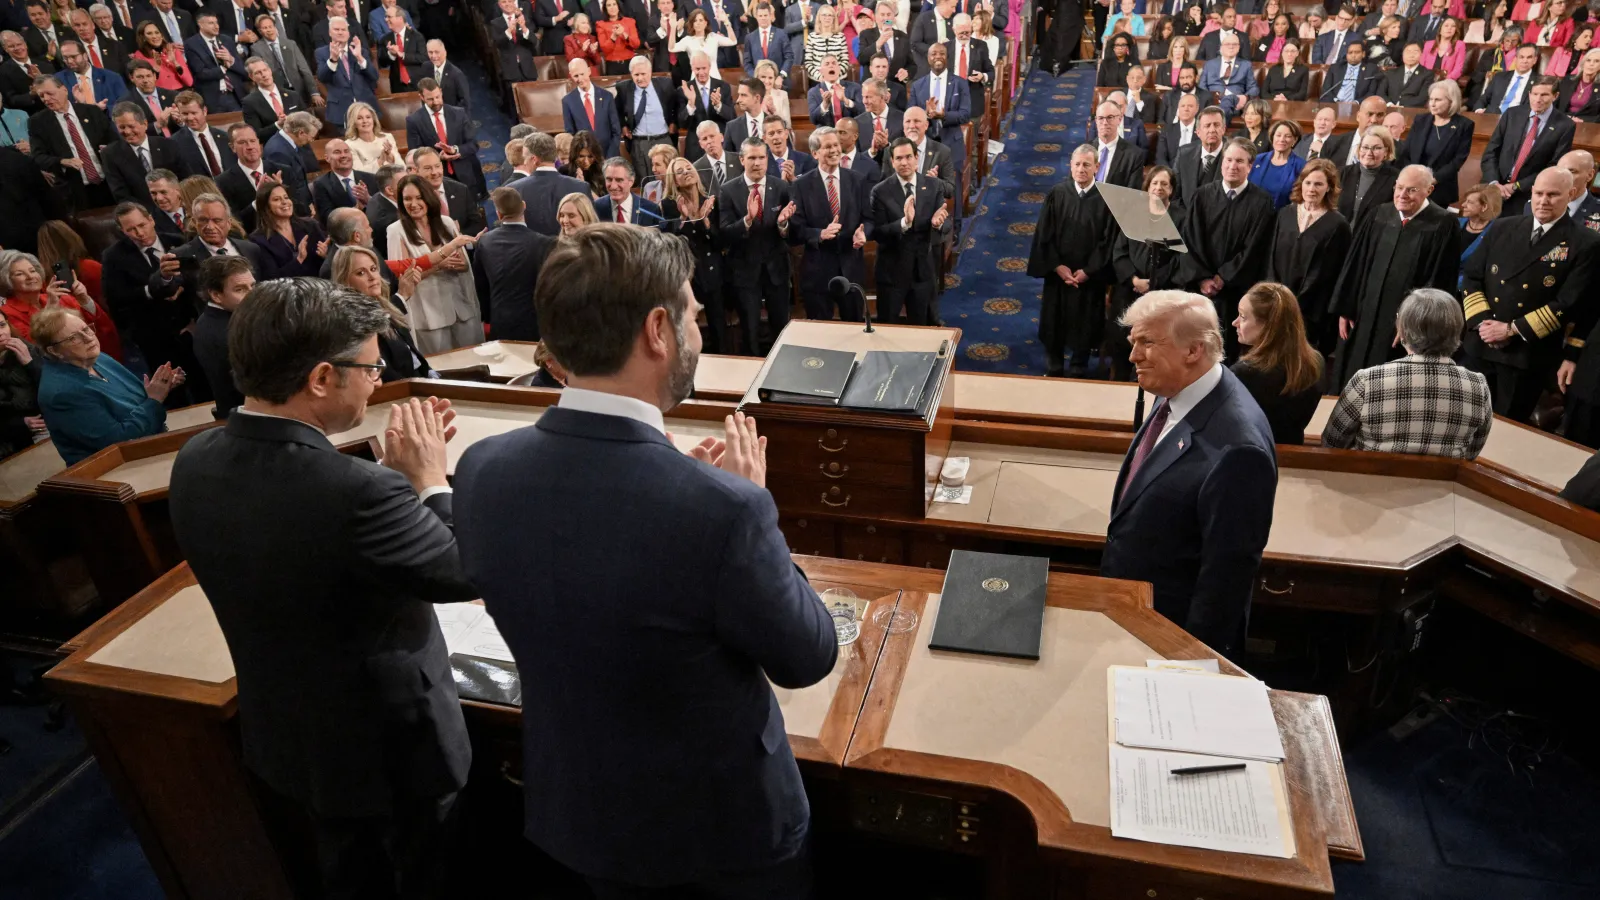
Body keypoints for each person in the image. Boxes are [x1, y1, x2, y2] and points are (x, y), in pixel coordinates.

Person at [452, 223, 834, 900]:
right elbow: (807, 657)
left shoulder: (482, 469)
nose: (699, 325)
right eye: (691, 312)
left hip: (583, 821)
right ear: (657, 330)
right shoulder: (723, 510)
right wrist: (747, 499)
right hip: (722, 842)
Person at [168, 278, 474, 900]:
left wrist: (389, 484)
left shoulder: (195, 457)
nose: (378, 376)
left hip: (291, 733)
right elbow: (457, 571)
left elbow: (307, 547)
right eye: (369, 365)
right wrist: (429, 483)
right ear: (319, 379)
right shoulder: (356, 492)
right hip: (389, 755)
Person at [1102, 290, 1276, 657]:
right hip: (1135, 615)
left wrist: (1189, 661)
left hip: (1171, 637)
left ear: (1194, 351)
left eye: (1147, 343)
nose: (1133, 356)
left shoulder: (1238, 449)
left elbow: (1225, 579)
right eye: (1134, 342)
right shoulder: (1176, 389)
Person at [1461, 167, 1600, 422]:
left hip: (1525, 354)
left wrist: (1510, 330)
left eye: (1553, 195)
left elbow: (1568, 302)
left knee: (1504, 431)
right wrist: (1483, 323)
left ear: (1570, 195)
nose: (1543, 201)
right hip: (1480, 345)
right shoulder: (1503, 226)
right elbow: (1471, 276)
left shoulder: (1586, 242)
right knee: (1461, 420)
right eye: (1539, 193)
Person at [1330, 165, 1461, 388]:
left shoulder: (1443, 224)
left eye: (1411, 190)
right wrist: (1346, 306)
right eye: (1399, 187)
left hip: (1403, 325)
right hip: (1363, 313)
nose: (1402, 195)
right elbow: (1355, 264)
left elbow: (1438, 283)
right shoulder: (1378, 214)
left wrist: (1414, 325)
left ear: (1429, 190)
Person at [1323, 288, 1493, 456]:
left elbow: (1331, 443)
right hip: (1441, 483)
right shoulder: (1478, 386)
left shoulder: (1368, 381)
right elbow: (1471, 453)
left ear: (1402, 330)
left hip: (1370, 481)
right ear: (1457, 331)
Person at [33, 305, 178, 463]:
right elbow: (117, 441)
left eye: (86, 329)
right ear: (54, 351)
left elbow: (139, 398)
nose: (89, 338)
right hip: (117, 467)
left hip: (151, 444)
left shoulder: (97, 357)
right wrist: (155, 400)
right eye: (73, 338)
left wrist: (161, 385)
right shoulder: (62, 394)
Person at [1178, 137, 1274, 361]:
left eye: (1240, 161)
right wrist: (1203, 278)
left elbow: (1255, 248)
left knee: (1226, 351)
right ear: (1221, 163)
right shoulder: (1201, 196)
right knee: (1194, 346)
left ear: (1250, 166)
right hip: (1200, 290)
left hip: (1235, 292)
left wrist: (1223, 278)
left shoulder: (1262, 203)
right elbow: (1190, 241)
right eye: (1229, 160)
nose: (1233, 166)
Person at [1029, 144, 1116, 377]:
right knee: (1054, 319)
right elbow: (1044, 234)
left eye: (1087, 165)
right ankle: (1054, 362)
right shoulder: (1057, 194)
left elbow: (1108, 241)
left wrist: (1088, 271)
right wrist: (1057, 266)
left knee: (1086, 322)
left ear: (1097, 167)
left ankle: (1079, 363)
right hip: (1059, 277)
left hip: (1089, 278)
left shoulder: (1106, 199)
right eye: (1077, 164)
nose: (1081, 169)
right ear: (1070, 165)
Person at [387, 173, 480, 354]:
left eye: (419, 197)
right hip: (429, 317)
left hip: (461, 308)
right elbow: (404, 277)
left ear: (429, 197)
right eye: (407, 199)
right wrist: (439, 265)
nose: (413, 204)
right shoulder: (395, 231)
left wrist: (455, 264)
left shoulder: (446, 222)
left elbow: (464, 265)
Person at [718, 136, 793, 354]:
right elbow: (724, 233)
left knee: (781, 327)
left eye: (761, 157)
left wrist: (783, 224)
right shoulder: (728, 190)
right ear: (742, 160)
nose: (757, 163)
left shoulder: (781, 187)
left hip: (776, 270)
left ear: (767, 159)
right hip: (744, 272)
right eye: (752, 158)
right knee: (749, 329)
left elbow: (790, 232)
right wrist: (746, 221)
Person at [1266, 159, 1350, 355]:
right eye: (1308, 182)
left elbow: (1335, 272)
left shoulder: (1338, 225)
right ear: (1301, 184)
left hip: (1311, 310)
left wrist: (1299, 301)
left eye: (1319, 184)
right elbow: (1270, 257)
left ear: (1329, 188)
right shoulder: (1285, 214)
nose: (1312, 189)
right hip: (1277, 301)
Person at [790, 126, 870, 321]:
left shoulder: (857, 180)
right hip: (817, 273)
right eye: (828, 146)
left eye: (836, 145)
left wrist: (864, 232)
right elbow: (795, 230)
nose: (834, 150)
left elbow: (869, 218)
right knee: (821, 335)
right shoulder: (801, 185)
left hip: (851, 269)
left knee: (855, 330)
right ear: (815, 153)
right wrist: (819, 234)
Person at [331, 243, 441, 381]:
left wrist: (428, 373)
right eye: (361, 273)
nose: (372, 277)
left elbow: (412, 353)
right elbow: (385, 374)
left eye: (373, 269)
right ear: (345, 281)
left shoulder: (384, 306)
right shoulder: (354, 323)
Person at [1231, 282, 1323, 444]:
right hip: (1294, 456)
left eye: (1243, 317)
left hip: (1253, 456)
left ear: (1268, 326)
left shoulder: (1243, 373)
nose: (1235, 322)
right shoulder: (1315, 363)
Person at [1481, 76, 1577, 219]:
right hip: (1494, 186)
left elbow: (1554, 167)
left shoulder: (1565, 126)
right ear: (1529, 94)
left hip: (1527, 195)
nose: (1538, 99)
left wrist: (1516, 186)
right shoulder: (1512, 114)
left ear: (1555, 96)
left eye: (1544, 95)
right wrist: (1495, 183)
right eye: (1535, 94)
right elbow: (1491, 152)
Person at [472, 188, 555, 342]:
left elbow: (481, 287)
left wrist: (488, 317)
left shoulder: (484, 242)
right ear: (523, 206)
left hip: (501, 322)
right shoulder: (545, 243)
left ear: (498, 214)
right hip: (537, 324)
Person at [189, 254, 252, 418]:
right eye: (240, 289)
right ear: (216, 295)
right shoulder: (227, 333)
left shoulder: (215, 318)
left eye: (252, 286)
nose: (252, 295)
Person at [1402, 80, 1474, 209]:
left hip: (1440, 188)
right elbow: (1406, 151)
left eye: (1438, 100)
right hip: (1412, 185)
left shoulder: (1464, 125)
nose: (1432, 104)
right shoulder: (1421, 120)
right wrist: (1412, 177)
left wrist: (1433, 180)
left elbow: (1458, 160)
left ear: (1452, 101)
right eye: (1431, 99)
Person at [510, 131, 591, 236]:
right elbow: (591, 227)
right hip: (571, 250)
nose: (524, 162)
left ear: (534, 159)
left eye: (525, 158)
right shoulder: (581, 187)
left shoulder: (513, 190)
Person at [249, 181, 325, 278]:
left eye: (286, 197)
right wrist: (299, 259)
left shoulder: (311, 225)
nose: (285, 202)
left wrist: (326, 255)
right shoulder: (258, 240)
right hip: (288, 291)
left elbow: (327, 263)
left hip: (320, 285)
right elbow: (271, 279)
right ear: (266, 207)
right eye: (276, 199)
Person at [315, 15, 378, 129]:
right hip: (341, 110)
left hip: (366, 108)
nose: (340, 32)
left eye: (343, 29)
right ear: (329, 32)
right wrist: (333, 59)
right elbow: (322, 77)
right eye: (336, 29)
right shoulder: (322, 53)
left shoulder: (360, 50)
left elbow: (374, 76)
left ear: (348, 33)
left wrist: (359, 57)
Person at [1337, 124, 1401, 228]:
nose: (1369, 153)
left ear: (1386, 151)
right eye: (1365, 147)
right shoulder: (1342, 173)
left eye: (1376, 148)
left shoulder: (1395, 178)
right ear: (1359, 149)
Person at [0, 313, 44, 458]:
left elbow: (52, 388)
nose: (1, 333)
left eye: (2, 325)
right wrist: (20, 422)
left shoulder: (28, 350)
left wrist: (29, 363)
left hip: (44, 424)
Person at [562, 58, 622, 158]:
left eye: (582, 74)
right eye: (576, 76)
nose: (580, 79)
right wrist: (584, 157)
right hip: (586, 159)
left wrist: (610, 157)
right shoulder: (568, 101)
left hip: (610, 156)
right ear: (571, 76)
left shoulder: (607, 96)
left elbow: (616, 131)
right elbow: (570, 134)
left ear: (589, 71)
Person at [1172, 104, 1225, 207]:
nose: (1212, 130)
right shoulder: (1184, 153)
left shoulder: (1234, 154)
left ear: (1223, 129)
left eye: (1217, 125)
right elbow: (1175, 193)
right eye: (1207, 125)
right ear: (1198, 132)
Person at [1248, 118, 1304, 208]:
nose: (1282, 139)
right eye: (1278, 135)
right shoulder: (1258, 159)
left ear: (1295, 140)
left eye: (1288, 136)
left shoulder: (1301, 166)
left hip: (1280, 216)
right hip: (1252, 212)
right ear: (1272, 137)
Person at [131, 19, 191, 91]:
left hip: (182, 92)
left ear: (161, 35)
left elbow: (189, 82)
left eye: (157, 32)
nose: (154, 36)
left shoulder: (173, 50)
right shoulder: (139, 56)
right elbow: (146, 85)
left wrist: (175, 62)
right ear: (143, 37)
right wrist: (156, 68)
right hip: (161, 95)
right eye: (149, 33)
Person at [343, 100, 399, 174]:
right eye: (359, 118)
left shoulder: (387, 137)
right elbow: (359, 174)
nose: (365, 121)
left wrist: (390, 157)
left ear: (373, 119)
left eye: (368, 117)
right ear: (354, 123)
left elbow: (401, 166)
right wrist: (380, 161)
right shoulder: (349, 145)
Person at [1039, 0, 1083, 76]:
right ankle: (1058, 61)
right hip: (1064, 8)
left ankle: (1060, 60)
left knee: (1067, 33)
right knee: (1061, 34)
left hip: (1070, 8)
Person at [1559, 47, 1600, 121]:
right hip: (1564, 121)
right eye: (1588, 60)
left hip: (1586, 125)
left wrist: (1582, 120)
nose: (1591, 64)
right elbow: (1555, 105)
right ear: (1583, 63)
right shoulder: (1568, 80)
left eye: (1596, 61)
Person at [1421, 15, 1466, 81]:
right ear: (1440, 30)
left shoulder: (1460, 45)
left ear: (1455, 30)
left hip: (1446, 81)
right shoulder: (1428, 44)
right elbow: (1421, 65)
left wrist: (1446, 79)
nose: (1449, 28)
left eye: (1453, 26)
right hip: (1426, 79)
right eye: (1446, 25)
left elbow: (1458, 69)